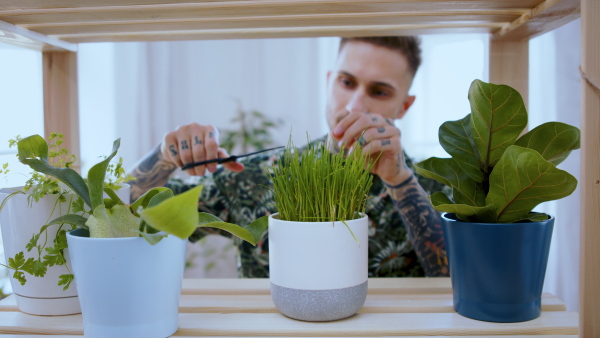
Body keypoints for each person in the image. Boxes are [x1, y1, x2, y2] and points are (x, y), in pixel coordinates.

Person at [128, 36, 449, 278]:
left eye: (379, 92)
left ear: (404, 106)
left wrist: (400, 181)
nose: (354, 107)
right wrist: (165, 156)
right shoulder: (255, 175)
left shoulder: (436, 188)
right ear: (328, 81)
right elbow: (140, 219)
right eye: (346, 82)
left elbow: (457, 282)